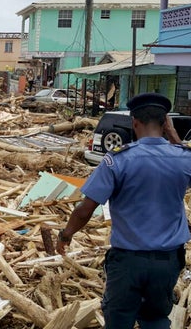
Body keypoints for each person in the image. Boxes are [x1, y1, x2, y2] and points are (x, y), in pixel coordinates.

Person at [56, 93, 191, 329]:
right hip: (167, 261)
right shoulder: (183, 158)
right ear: (165, 123)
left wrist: (66, 235)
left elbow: (85, 210)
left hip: (128, 262)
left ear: (134, 122)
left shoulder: (117, 160)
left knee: (119, 320)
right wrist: (176, 139)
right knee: (156, 319)